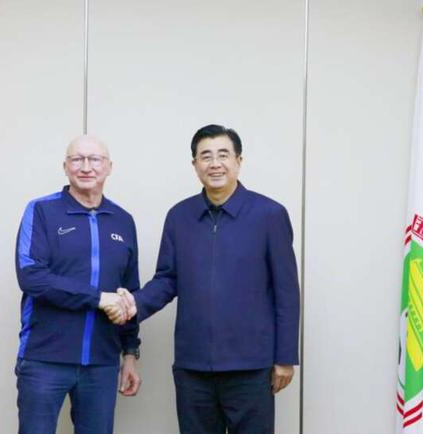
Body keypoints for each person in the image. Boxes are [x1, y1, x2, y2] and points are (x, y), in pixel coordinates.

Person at [110, 124, 300, 434]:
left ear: (238, 160)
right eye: (206, 156)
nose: (215, 164)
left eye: (223, 155)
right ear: (195, 164)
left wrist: (285, 358)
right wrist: (134, 304)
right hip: (193, 367)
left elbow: (287, 292)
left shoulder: (269, 215)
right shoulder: (179, 216)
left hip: (251, 366)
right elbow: (166, 280)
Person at [14, 135, 141, 434]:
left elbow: (129, 292)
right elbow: (32, 277)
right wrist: (98, 298)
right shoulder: (41, 211)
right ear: (65, 166)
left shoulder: (123, 220)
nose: (86, 167)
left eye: (95, 159)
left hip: (102, 362)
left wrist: (130, 353)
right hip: (45, 359)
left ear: (109, 167)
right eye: (77, 159)